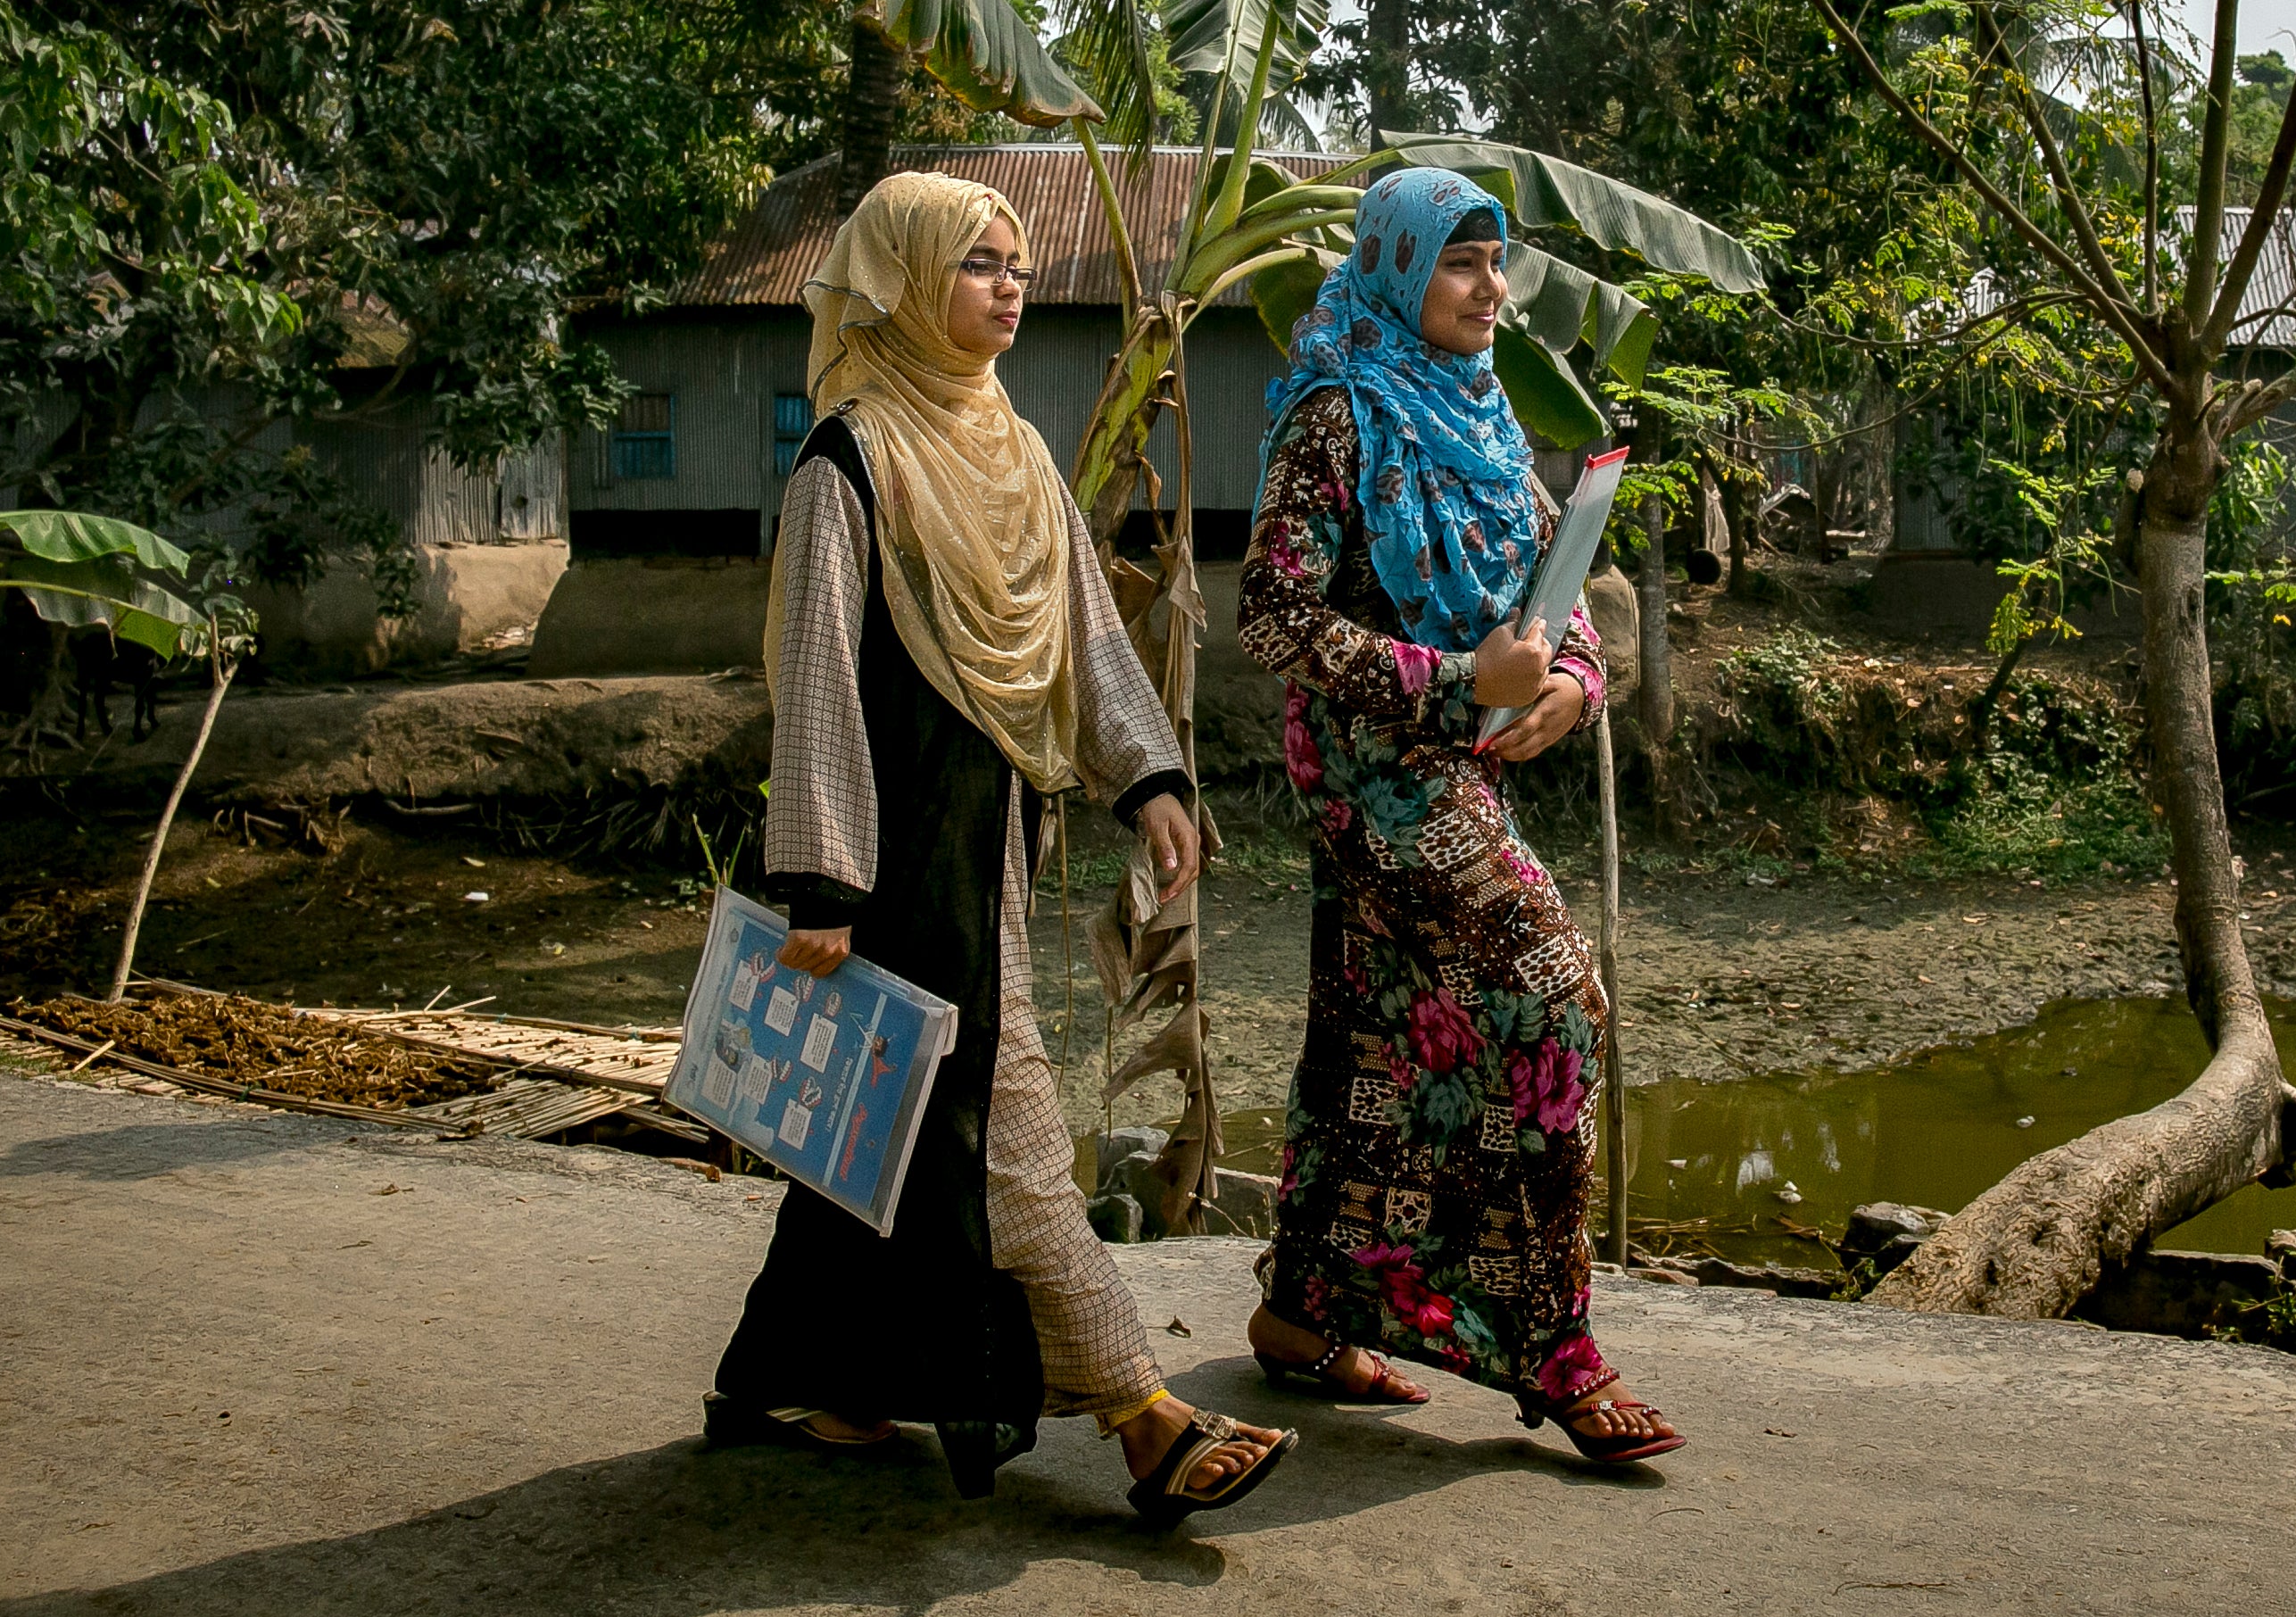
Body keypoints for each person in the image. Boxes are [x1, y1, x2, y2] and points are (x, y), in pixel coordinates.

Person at [707, 170, 1293, 1527]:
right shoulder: (848, 458)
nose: (1009, 284)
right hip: (897, 858)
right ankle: (1148, 1419)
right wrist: (825, 879)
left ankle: (803, 1374)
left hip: (995, 840)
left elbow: (1085, 631)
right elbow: (815, 681)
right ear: (907, 281)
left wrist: (1145, 772)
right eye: (976, 263)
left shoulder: (1015, 450)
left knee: (887, 1137)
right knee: (995, 1140)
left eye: (1014, 263)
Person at [1234, 167, 1686, 1464]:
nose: (1493, 288)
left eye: (1501, 261)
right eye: (1462, 262)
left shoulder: (1480, 413)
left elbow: (1557, 582)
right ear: (1396, 266)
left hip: (1461, 768)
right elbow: (1271, 614)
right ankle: (1553, 1341)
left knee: (1367, 1032)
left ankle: (1303, 1308)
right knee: (1556, 998)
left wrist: (1577, 685)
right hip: (1371, 776)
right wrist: (1450, 684)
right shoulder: (1339, 413)